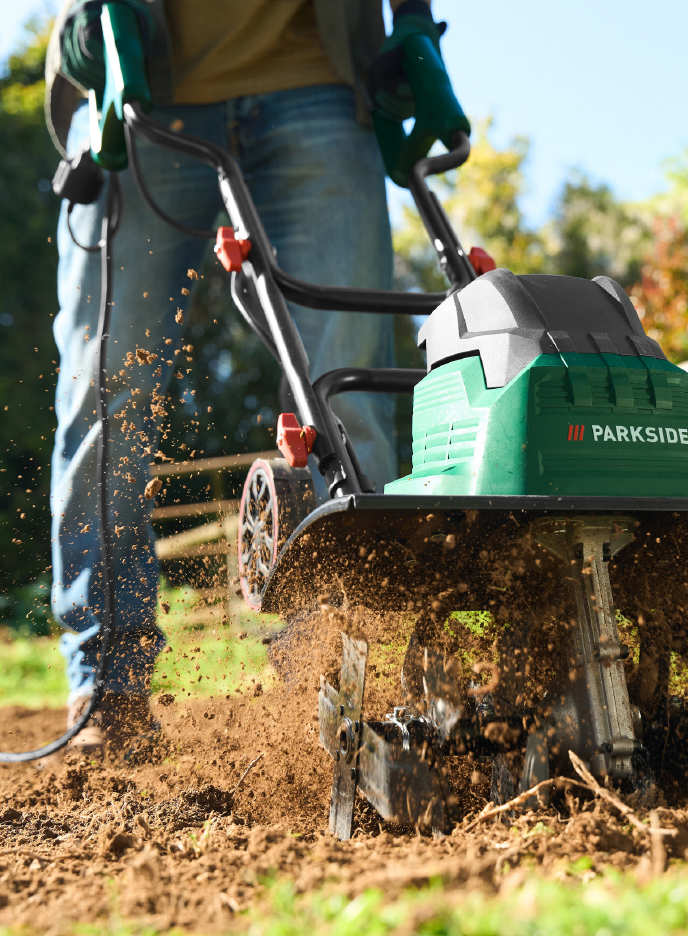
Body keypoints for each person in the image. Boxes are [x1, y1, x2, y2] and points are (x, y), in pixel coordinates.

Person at [44, 0, 462, 754]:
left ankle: (346, 669)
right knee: (104, 389)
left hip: (318, 81)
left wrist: (412, 19)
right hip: (139, 81)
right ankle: (109, 679)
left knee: (348, 390)